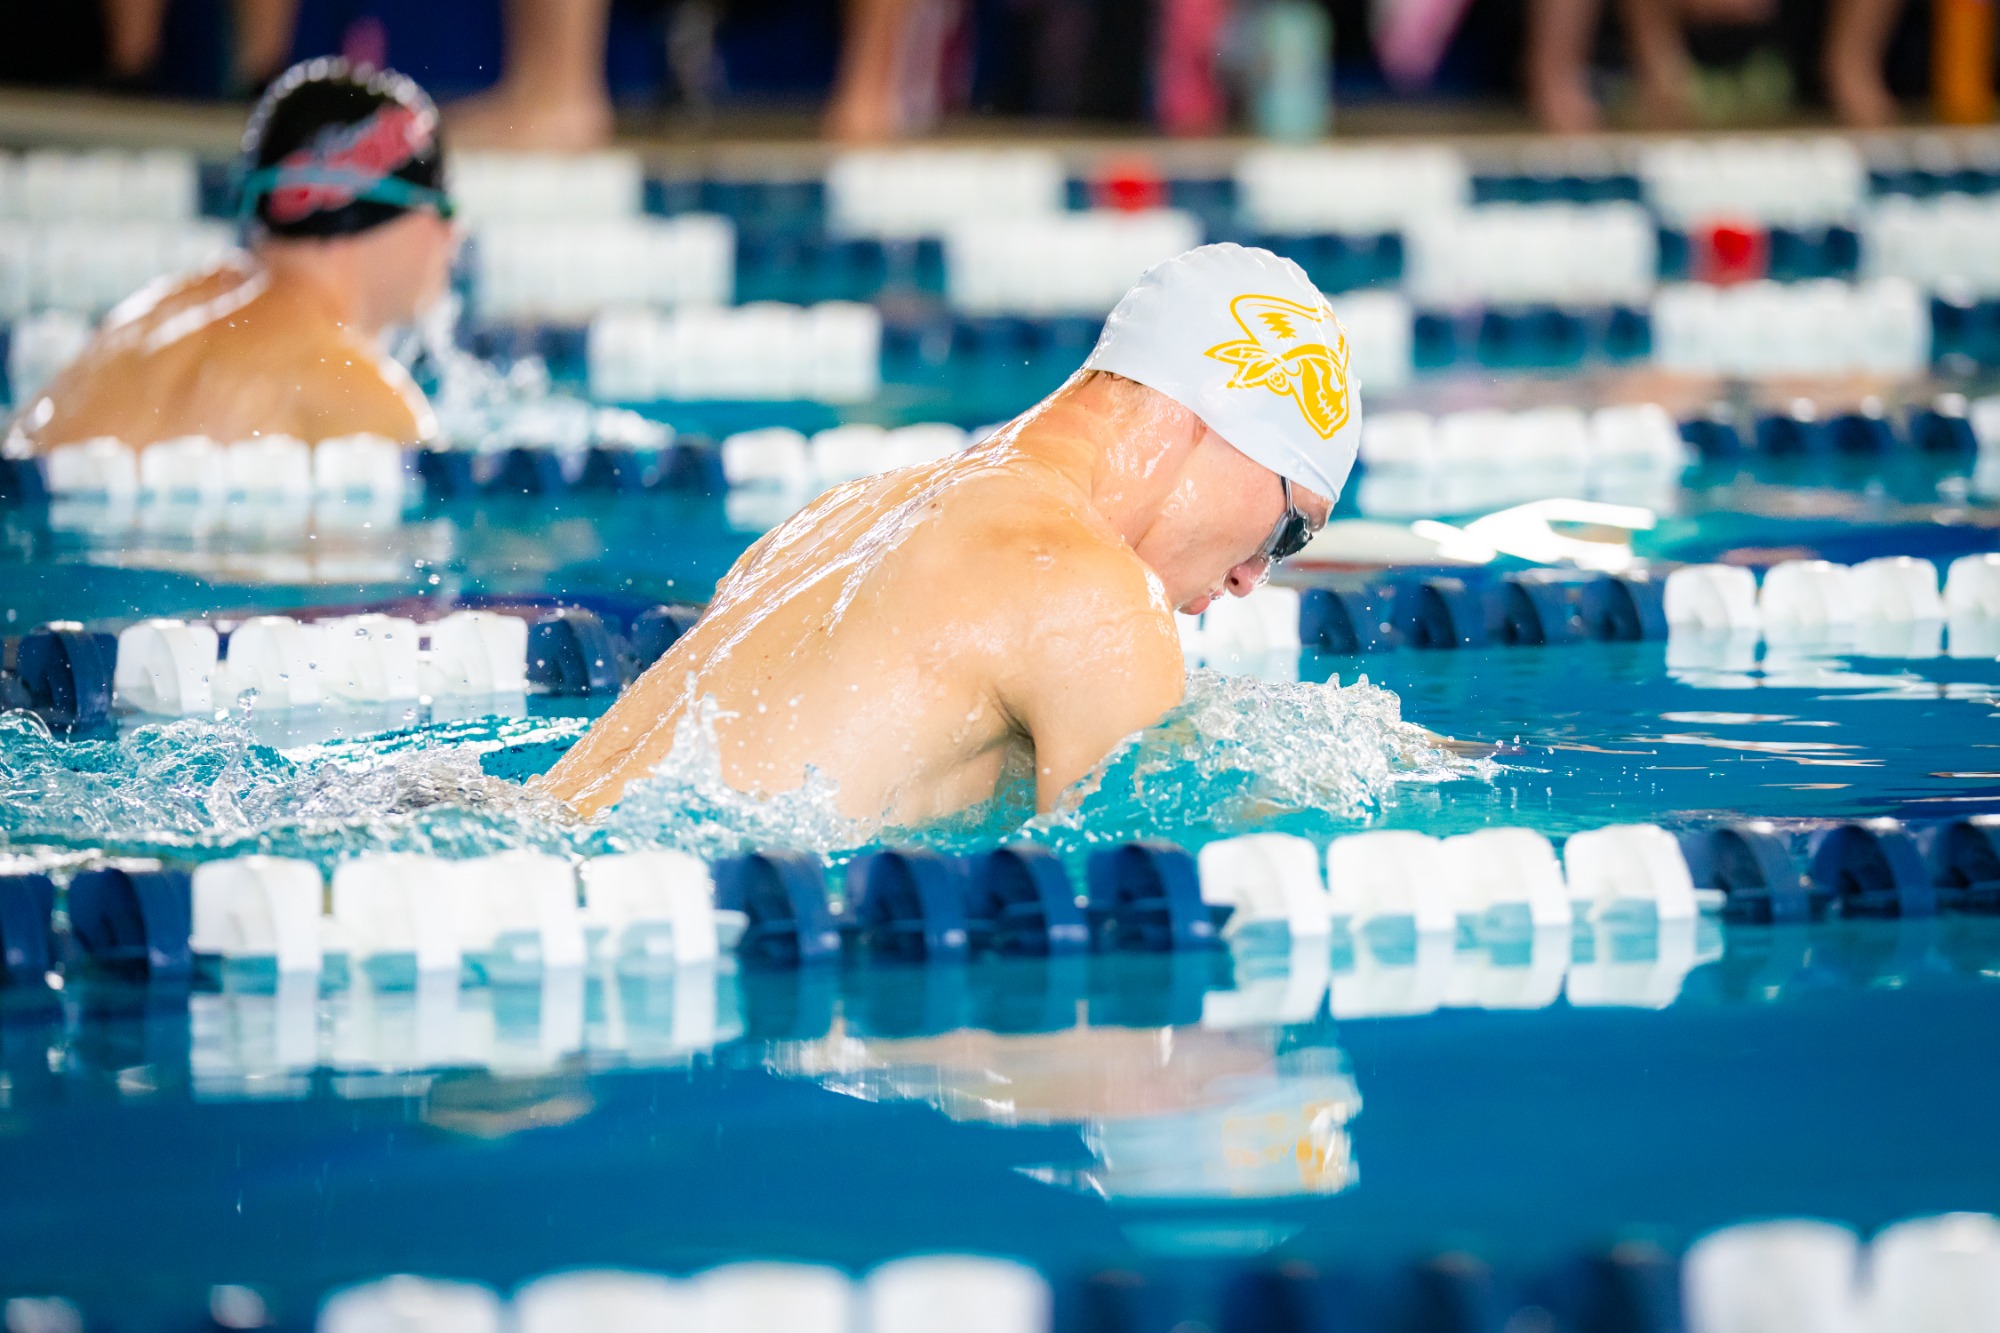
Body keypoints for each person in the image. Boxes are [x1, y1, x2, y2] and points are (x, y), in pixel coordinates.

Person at [543, 243, 1360, 826]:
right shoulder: (1091, 592)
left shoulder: (845, 513)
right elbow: (1141, 889)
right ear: (1215, 424)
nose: (1256, 576)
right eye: (1288, 530)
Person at [6, 59, 453, 455]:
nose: (453, 234)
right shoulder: (357, 389)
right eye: (443, 209)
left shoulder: (158, 310)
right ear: (369, 211)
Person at [1526, 0, 1911, 132]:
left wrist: (1851, 64)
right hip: (1638, 71)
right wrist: (1658, 60)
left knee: (1856, 86)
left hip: (1791, 62)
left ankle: (1851, 70)